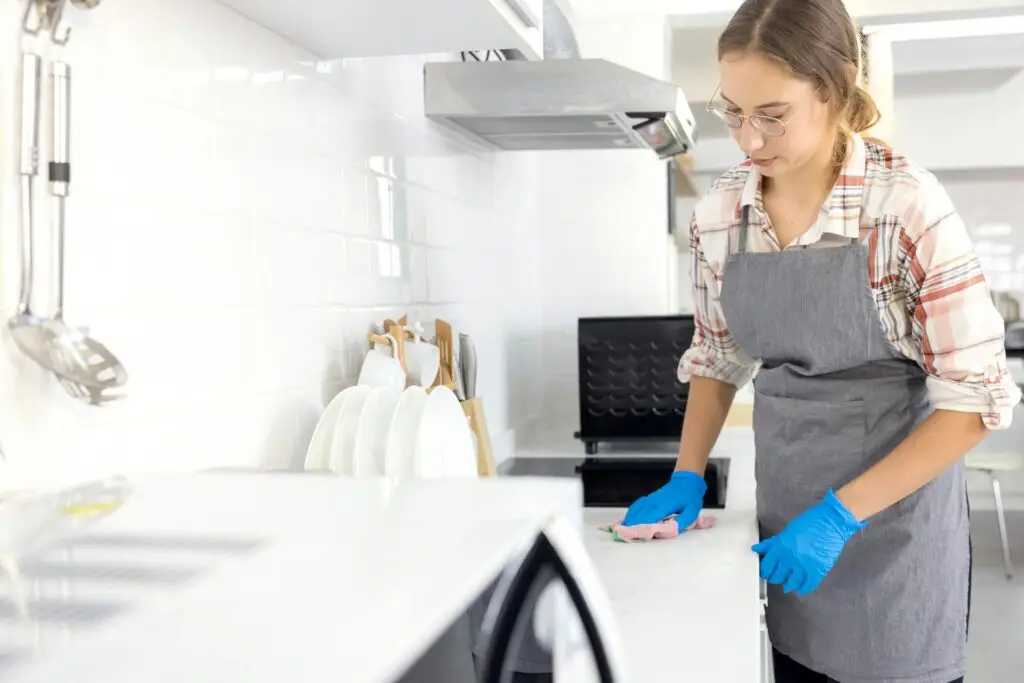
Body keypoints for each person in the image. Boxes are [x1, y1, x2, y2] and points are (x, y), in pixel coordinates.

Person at [620, 0, 1022, 681]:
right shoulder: (721, 215)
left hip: (895, 537)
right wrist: (689, 469)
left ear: (834, 90)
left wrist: (839, 516)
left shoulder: (904, 207)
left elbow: (974, 401)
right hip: (787, 529)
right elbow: (719, 355)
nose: (748, 139)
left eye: (771, 115)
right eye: (733, 112)